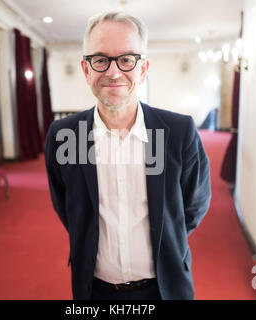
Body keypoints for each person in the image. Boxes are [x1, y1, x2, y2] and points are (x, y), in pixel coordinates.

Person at [44, 11, 211, 300]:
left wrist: (168, 239)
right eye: (100, 59)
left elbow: (194, 206)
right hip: (93, 290)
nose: (112, 72)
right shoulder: (63, 136)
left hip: (165, 288)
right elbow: (67, 207)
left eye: (126, 59)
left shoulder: (178, 131)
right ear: (86, 70)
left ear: (143, 68)